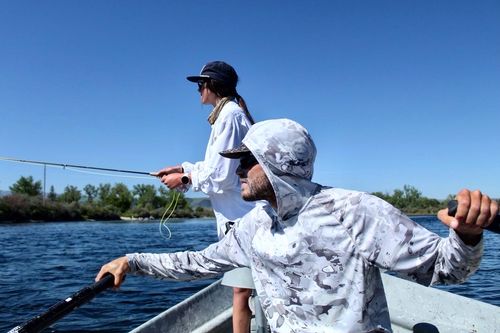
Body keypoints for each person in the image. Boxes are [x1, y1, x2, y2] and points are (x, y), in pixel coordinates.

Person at [97, 118, 498, 333]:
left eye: (247, 160)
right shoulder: (256, 225)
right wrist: (131, 262)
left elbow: (447, 269)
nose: (237, 168)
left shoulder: (353, 211)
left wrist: (466, 234)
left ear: (278, 165)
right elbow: (197, 263)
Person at [150, 61, 260, 333]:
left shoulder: (230, 117)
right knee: (242, 289)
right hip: (238, 220)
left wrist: (185, 180)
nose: (198, 89)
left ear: (213, 85)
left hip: (242, 220)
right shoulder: (226, 116)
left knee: (241, 291)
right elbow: (218, 166)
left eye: (201, 84)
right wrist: (182, 168)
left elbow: (222, 176)